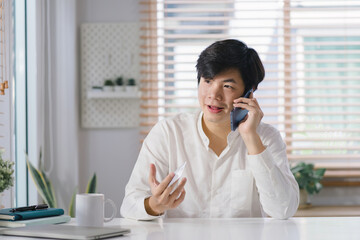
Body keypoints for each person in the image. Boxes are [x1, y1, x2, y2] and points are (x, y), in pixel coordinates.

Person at [120, 39, 299, 220]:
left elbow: (283, 210)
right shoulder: (168, 132)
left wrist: (251, 137)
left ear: (248, 93)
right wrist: (154, 205)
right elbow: (129, 206)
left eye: (227, 86)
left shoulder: (266, 138)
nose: (214, 95)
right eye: (207, 81)